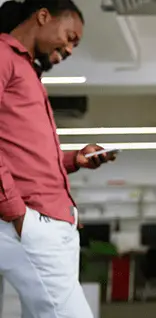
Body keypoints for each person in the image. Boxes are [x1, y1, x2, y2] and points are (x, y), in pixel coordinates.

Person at [0, 1, 116, 317]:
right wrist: (14, 211)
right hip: (30, 221)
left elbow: (25, 156)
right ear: (42, 16)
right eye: (69, 36)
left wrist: (74, 159)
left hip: (47, 222)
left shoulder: (27, 70)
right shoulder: (2, 56)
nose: (70, 49)